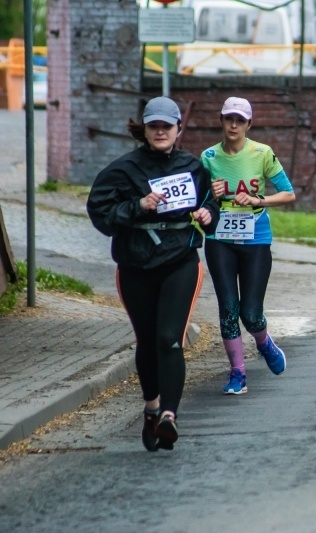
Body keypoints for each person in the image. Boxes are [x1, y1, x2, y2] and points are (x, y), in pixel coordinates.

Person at [86, 96, 220, 451]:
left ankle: (169, 416)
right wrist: (138, 206)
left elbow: (209, 202)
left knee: (168, 338)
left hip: (180, 261)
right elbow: (101, 214)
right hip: (136, 265)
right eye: (154, 126)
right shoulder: (121, 171)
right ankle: (152, 407)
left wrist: (208, 214)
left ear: (178, 129)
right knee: (147, 341)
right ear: (144, 130)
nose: (161, 132)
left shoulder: (192, 167)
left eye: (167, 126)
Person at [202, 97, 296, 395]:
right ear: (221, 120)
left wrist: (257, 200)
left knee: (251, 314)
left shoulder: (262, 153)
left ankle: (264, 343)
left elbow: (288, 194)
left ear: (249, 124)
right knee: (228, 308)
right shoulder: (208, 157)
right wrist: (211, 194)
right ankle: (238, 374)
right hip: (219, 240)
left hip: (256, 239)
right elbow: (198, 203)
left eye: (240, 120)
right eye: (229, 119)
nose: (234, 125)